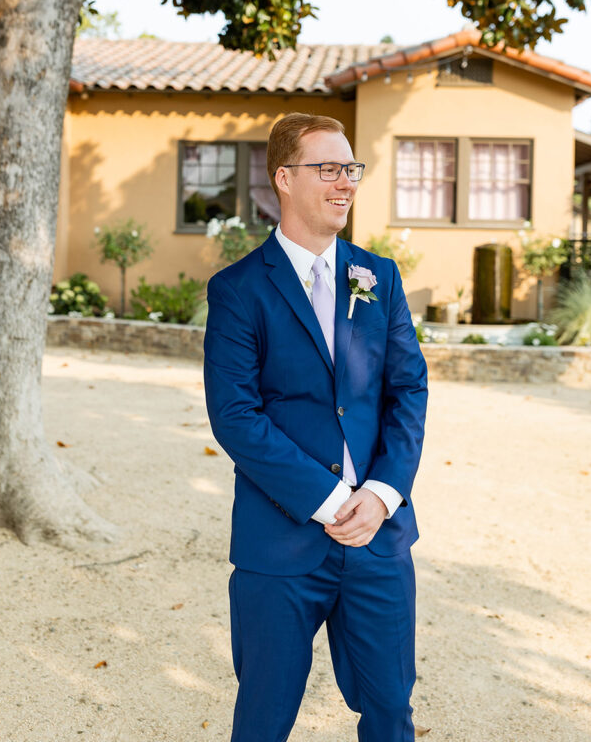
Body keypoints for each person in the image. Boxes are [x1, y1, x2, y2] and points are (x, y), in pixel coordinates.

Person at [203, 112, 428, 742]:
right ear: (283, 177)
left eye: (350, 168)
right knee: (263, 720)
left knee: (390, 713)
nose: (345, 182)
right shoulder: (238, 289)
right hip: (280, 542)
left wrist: (381, 496)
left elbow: (408, 389)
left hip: (378, 540)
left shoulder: (377, 278)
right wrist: (331, 502)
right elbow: (236, 416)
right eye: (327, 168)